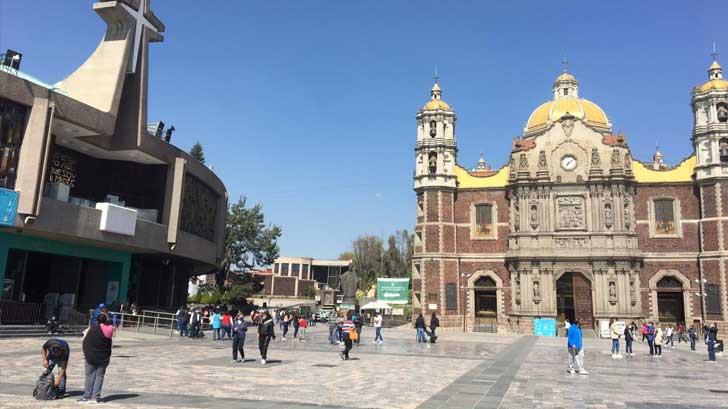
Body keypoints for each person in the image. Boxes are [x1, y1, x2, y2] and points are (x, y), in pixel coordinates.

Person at [77, 313, 113, 403]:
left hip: (90, 356)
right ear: (105, 320)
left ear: (97, 320)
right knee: (99, 376)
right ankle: (95, 397)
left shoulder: (92, 328)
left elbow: (85, 339)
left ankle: (87, 396)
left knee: (89, 376)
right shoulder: (110, 329)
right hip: (103, 357)